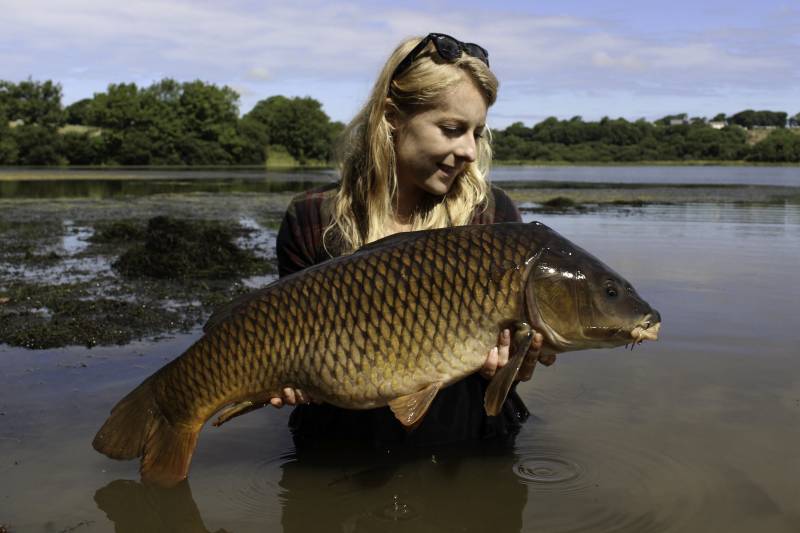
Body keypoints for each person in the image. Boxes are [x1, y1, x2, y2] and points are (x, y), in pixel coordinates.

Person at [271, 33, 556, 450]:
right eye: (452, 129)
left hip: (469, 441)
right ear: (391, 116)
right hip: (342, 446)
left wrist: (514, 365)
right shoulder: (312, 218)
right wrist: (291, 377)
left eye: (476, 132)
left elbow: (516, 356)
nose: (469, 151)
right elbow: (281, 340)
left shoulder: (492, 218)